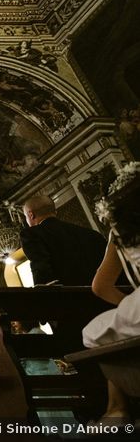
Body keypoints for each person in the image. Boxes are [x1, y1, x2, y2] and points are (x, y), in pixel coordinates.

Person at [82, 178, 140, 422]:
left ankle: (117, 408)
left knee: (96, 331)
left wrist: (129, 307)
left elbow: (100, 286)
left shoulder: (120, 229)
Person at [20, 195, 107, 285]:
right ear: (55, 211)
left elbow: (41, 268)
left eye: (26, 216)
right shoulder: (92, 234)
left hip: (70, 296)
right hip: (104, 293)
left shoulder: (32, 234)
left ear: (31, 215)